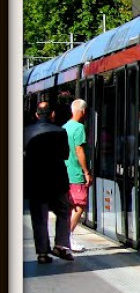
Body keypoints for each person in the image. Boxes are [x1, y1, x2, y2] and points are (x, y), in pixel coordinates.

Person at [24, 102, 73, 263]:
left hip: (35, 182)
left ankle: (42, 253)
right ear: (52, 114)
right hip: (57, 181)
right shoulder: (60, 131)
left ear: (37, 115)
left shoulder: (25, 132)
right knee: (63, 212)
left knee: (39, 217)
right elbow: (65, 155)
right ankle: (61, 245)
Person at [63, 99, 92, 251]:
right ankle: (67, 237)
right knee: (80, 205)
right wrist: (86, 172)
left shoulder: (64, 127)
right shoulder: (79, 127)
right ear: (83, 111)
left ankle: (65, 237)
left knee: (71, 206)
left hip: (65, 172)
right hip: (75, 173)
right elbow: (79, 150)